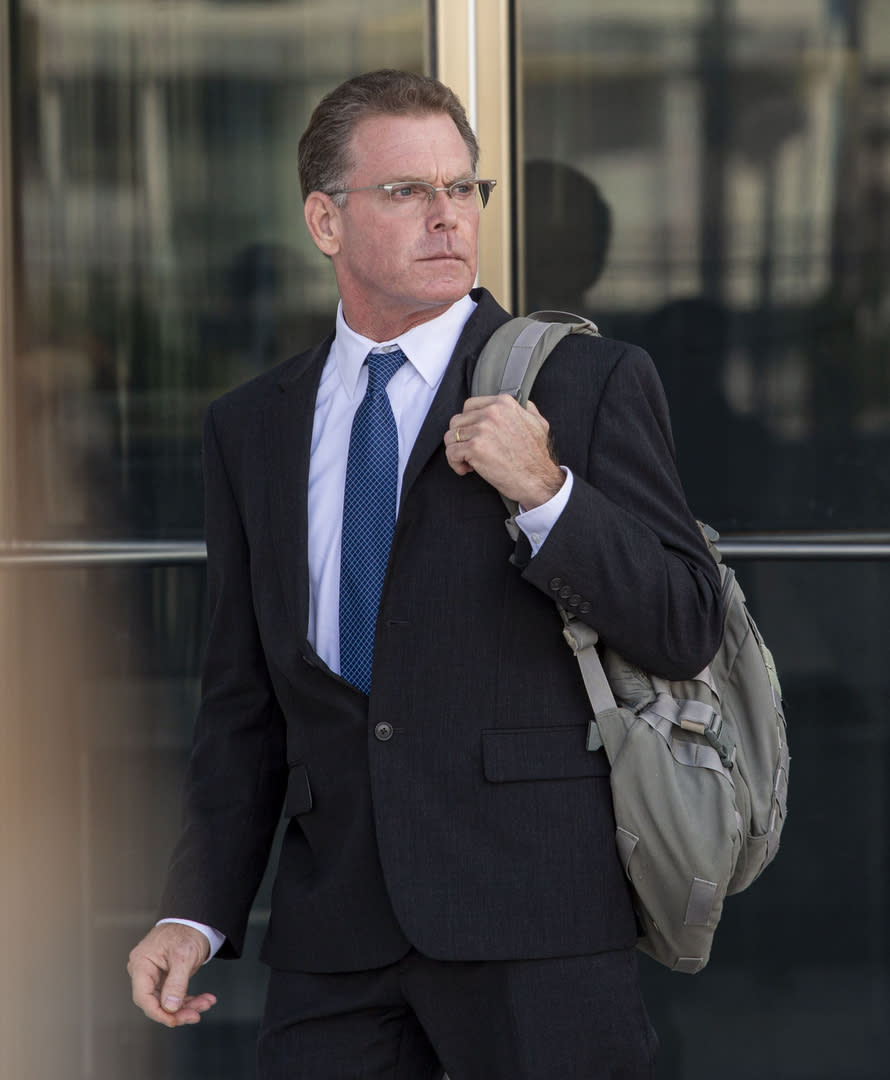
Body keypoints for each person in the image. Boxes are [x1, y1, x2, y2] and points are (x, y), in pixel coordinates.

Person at [127, 69, 723, 1079]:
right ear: (325, 220)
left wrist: (545, 492)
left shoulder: (582, 383)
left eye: (462, 189)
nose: (446, 216)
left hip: (533, 916)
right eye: (406, 191)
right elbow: (242, 703)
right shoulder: (250, 427)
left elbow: (679, 622)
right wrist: (197, 908)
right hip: (334, 930)